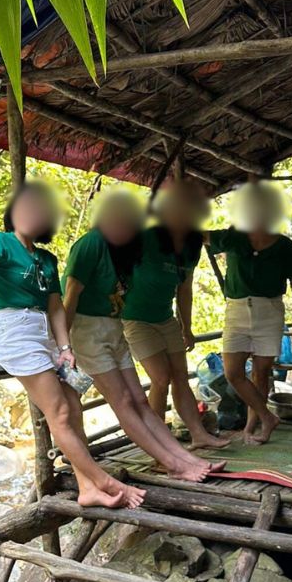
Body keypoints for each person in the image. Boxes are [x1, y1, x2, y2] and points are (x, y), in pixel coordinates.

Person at [0, 182, 144, 510]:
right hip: (15, 332)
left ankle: (86, 488)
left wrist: (65, 348)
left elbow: (55, 307)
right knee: (61, 411)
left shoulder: (47, 260)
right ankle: (104, 481)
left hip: (45, 336)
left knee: (73, 407)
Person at [63, 189, 222, 482]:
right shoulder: (92, 243)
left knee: (138, 397)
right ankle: (173, 464)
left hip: (113, 325)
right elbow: (69, 297)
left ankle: (184, 457)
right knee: (123, 400)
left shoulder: (126, 251)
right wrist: (61, 344)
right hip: (86, 329)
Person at [121, 181, 229, 451]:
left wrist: (187, 326)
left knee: (181, 376)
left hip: (165, 318)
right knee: (160, 378)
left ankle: (198, 434)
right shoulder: (145, 236)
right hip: (135, 318)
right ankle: (159, 442)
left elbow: (184, 289)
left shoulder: (191, 246)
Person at [208, 181, 292, 444]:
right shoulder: (233, 237)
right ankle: (267, 416)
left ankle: (253, 427)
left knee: (261, 373)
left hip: (270, 311)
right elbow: (198, 234)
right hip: (237, 311)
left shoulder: (288, 247)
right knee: (233, 373)